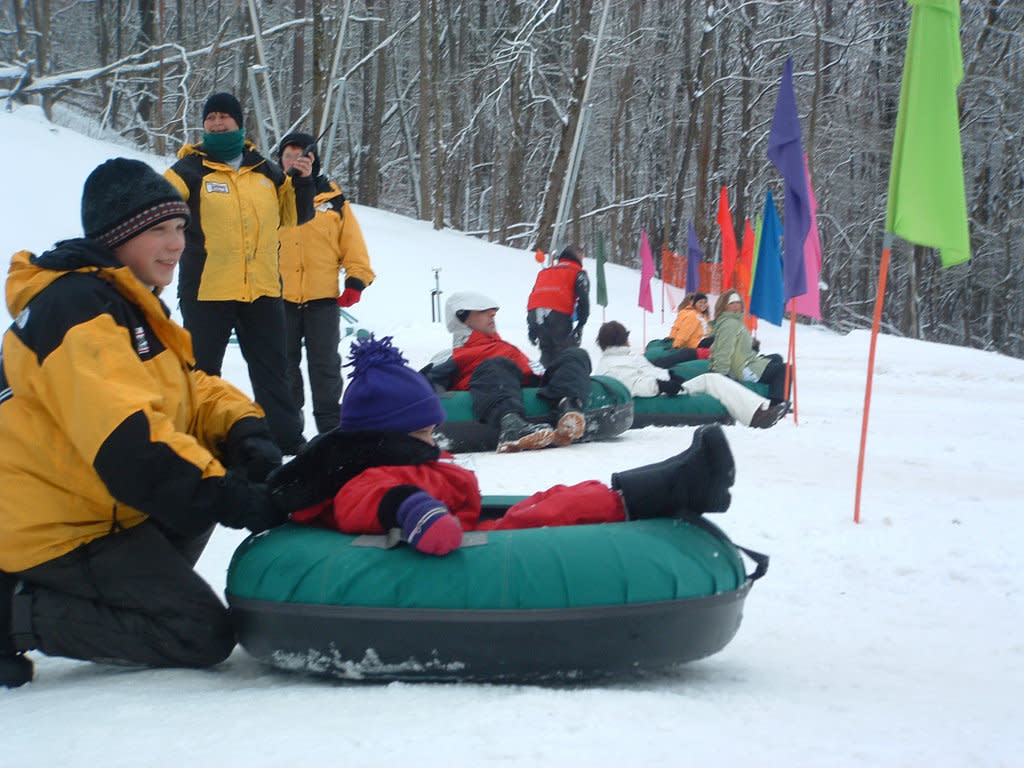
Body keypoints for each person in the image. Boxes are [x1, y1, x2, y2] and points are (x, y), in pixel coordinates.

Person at [0, 159, 292, 688]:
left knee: (213, 463)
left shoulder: (124, 300)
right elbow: (129, 443)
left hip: (91, 501)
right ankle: (16, 614)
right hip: (56, 528)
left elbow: (187, 387)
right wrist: (235, 499)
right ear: (117, 236)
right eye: (158, 229)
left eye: (181, 228)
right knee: (197, 633)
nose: (177, 243)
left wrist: (246, 430)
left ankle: (109, 588)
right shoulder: (78, 309)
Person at [270, 336, 736, 557]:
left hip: (469, 520)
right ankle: (669, 489)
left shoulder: (397, 459)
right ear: (386, 439)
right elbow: (371, 500)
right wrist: (416, 513)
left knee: (552, 498)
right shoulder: (368, 475)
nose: (433, 441)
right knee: (553, 513)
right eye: (424, 434)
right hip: (465, 541)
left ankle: (661, 485)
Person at [165, 92, 315, 454]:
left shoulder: (265, 170)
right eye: (210, 117)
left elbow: (295, 215)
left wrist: (304, 181)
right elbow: (160, 205)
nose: (217, 123)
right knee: (201, 376)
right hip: (207, 291)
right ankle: (196, 446)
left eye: (224, 117)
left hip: (262, 291)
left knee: (273, 374)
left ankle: (288, 444)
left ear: (238, 121)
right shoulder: (187, 169)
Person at [276, 132, 375, 434]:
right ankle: (288, 432)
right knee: (283, 367)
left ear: (313, 159)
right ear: (280, 159)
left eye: (301, 156)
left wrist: (355, 281)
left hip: (322, 300)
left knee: (326, 368)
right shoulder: (271, 194)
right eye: (287, 156)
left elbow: (353, 245)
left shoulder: (333, 199)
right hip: (279, 299)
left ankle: (331, 431)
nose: (294, 162)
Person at [424, 291, 592, 452]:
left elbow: (537, 371)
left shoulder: (503, 346)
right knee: (497, 365)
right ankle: (511, 425)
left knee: (575, 355)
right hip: (494, 392)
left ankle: (569, 411)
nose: (492, 314)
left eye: (493, 311)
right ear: (462, 317)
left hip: (534, 386)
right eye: (483, 311)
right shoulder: (455, 355)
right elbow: (424, 383)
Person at [595, 321, 788, 429]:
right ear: (622, 340)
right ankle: (757, 416)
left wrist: (669, 375)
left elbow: (650, 371)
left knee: (711, 379)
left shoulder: (625, 358)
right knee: (713, 380)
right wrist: (662, 386)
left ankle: (762, 408)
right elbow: (633, 385)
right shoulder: (611, 366)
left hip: (663, 387)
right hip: (657, 394)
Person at [709, 291, 788, 405]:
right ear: (724, 306)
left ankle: (765, 395)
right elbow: (723, 350)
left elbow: (738, 347)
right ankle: (776, 404)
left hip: (746, 361)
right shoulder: (730, 324)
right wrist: (721, 375)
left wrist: (753, 347)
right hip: (742, 369)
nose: (736, 306)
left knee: (776, 358)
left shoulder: (736, 322)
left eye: (738, 302)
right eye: (731, 303)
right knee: (784, 369)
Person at [527, 245, 590, 367]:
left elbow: (535, 295)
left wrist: (531, 327)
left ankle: (545, 379)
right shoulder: (578, 273)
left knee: (547, 352)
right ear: (579, 257)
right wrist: (580, 325)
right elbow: (584, 301)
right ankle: (562, 380)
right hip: (558, 316)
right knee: (564, 356)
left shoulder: (545, 272)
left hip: (535, 315)